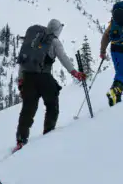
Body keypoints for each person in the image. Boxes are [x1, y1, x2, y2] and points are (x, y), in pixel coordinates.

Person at [15, 18, 86, 152]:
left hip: (28, 78)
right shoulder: (54, 41)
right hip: (44, 78)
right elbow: (63, 58)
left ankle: (21, 139)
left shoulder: (33, 40)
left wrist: (21, 79)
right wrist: (75, 73)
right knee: (52, 104)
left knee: (27, 110)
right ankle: (48, 133)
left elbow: (24, 61)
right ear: (57, 30)